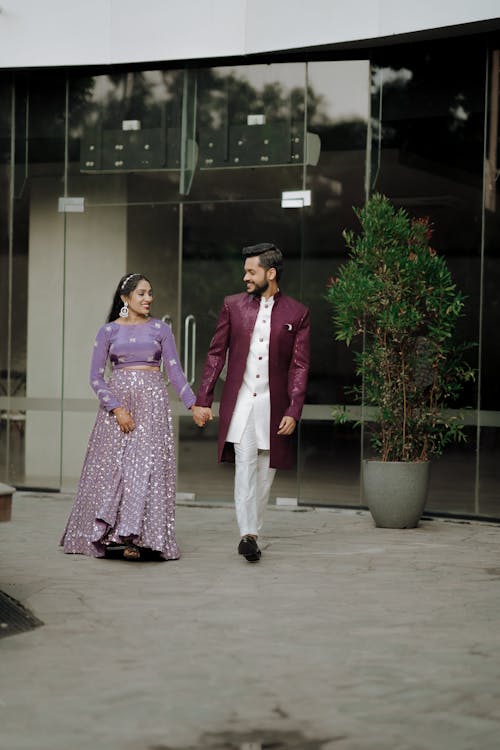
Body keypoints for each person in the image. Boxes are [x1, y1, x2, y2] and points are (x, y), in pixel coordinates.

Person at [61, 272, 203, 561]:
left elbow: (174, 373)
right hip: (117, 408)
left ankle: (137, 538)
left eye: (150, 293)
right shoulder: (108, 332)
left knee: (145, 468)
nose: (148, 298)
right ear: (126, 298)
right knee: (115, 469)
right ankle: (111, 534)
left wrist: (194, 404)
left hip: (152, 406)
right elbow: (96, 378)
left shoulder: (160, 329)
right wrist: (116, 408)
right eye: (141, 293)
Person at [193, 243, 310, 563]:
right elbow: (216, 354)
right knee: (244, 465)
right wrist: (203, 398)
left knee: (265, 470)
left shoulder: (297, 313)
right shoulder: (232, 306)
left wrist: (293, 409)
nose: (245, 276)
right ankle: (247, 534)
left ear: (270, 274)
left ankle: (253, 530)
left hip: (274, 406)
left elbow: (300, 366)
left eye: (251, 271)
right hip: (242, 403)